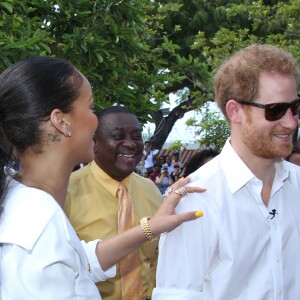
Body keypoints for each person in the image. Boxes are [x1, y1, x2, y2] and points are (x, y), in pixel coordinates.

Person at [0, 56, 206, 300]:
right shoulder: (38, 230)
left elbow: (78, 261)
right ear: (61, 121)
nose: (96, 121)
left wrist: (151, 227)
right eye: (91, 108)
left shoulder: (25, 204)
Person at [153, 44, 300, 299]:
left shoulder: (297, 184)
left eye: (295, 107)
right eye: (275, 110)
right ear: (235, 111)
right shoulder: (197, 197)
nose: (290, 122)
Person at [64, 106, 162, 300]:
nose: (130, 144)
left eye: (136, 136)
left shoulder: (150, 191)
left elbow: (155, 257)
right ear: (95, 143)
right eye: (118, 136)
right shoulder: (67, 191)